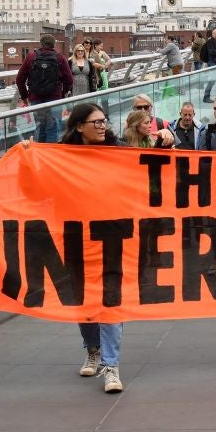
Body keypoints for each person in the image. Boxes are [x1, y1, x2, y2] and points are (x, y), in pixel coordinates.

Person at [57, 103, 126, 392]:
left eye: (104, 121)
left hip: (112, 236)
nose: (102, 126)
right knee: (84, 301)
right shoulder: (61, 157)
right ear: (79, 127)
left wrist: (166, 144)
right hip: (76, 237)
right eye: (95, 122)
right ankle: (92, 349)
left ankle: (111, 365)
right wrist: (26, 152)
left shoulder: (119, 150)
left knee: (110, 301)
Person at [16, 35, 73, 142]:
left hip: (35, 97)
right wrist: (62, 93)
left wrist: (24, 96)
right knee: (53, 126)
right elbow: (69, 79)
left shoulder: (31, 56)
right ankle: (50, 154)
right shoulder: (60, 57)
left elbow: (19, 79)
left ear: (41, 44)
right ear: (54, 44)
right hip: (54, 97)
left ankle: (40, 153)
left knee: (40, 125)